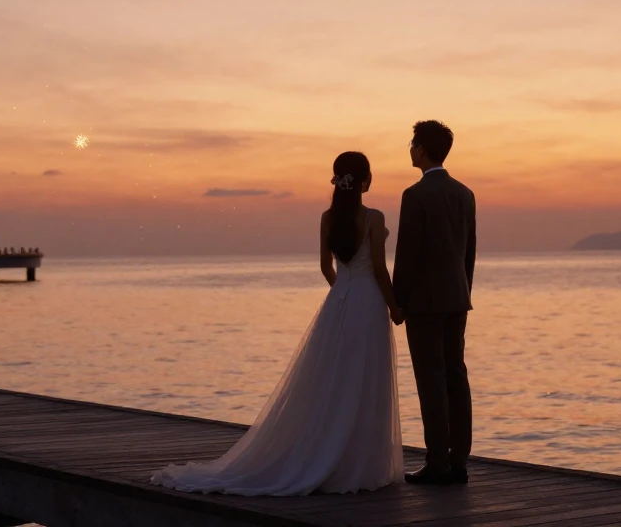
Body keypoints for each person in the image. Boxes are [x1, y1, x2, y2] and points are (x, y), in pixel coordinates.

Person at [152, 151, 403, 496]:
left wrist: (343, 291)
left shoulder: (328, 218)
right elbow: (378, 268)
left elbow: (325, 267)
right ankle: (359, 463)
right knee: (365, 378)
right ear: (364, 180)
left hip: (340, 301)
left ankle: (331, 454)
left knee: (334, 380)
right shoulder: (374, 217)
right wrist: (394, 307)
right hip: (369, 302)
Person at [392, 120, 476, 485]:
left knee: (431, 380)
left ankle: (438, 462)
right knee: (456, 376)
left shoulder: (415, 195)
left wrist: (398, 302)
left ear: (422, 149)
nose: (410, 149)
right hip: (457, 298)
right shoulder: (465, 194)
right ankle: (459, 462)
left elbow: (407, 254)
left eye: (412, 144)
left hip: (424, 303)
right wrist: (463, 290)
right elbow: (468, 252)